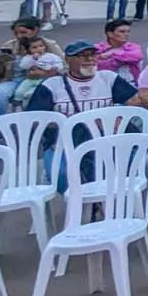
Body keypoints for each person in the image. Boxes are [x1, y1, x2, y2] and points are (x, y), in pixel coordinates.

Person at [24, 40, 140, 192]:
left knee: (133, 160)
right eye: (82, 56)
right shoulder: (52, 85)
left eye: (92, 55)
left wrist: (118, 115)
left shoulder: (107, 78)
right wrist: (66, 122)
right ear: (68, 60)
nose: (89, 59)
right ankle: (79, 206)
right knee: (61, 175)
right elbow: (34, 121)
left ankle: (109, 203)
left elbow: (135, 103)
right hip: (63, 144)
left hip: (105, 140)